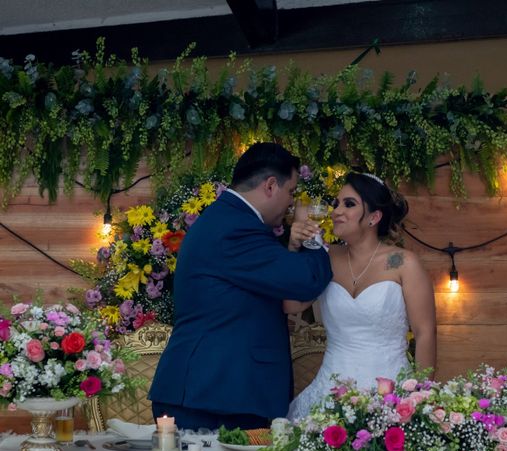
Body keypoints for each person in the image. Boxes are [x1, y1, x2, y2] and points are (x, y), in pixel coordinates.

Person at [149, 142, 333, 430]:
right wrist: (312, 236)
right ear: (271, 186)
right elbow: (303, 281)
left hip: (218, 394)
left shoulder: (228, 220)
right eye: (291, 192)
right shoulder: (236, 229)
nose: (291, 203)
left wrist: (294, 246)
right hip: (214, 397)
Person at [285, 171, 436, 419]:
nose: (336, 211)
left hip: (390, 394)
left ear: (374, 217)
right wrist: (293, 250)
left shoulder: (403, 263)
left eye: (349, 204)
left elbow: (425, 333)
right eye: (336, 204)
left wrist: (419, 397)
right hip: (330, 394)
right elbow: (291, 305)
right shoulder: (325, 257)